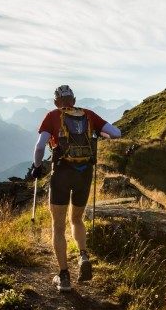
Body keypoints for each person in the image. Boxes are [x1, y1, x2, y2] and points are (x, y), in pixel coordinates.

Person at [29, 85, 121, 291]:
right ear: (74, 99)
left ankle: (63, 277)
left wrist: (36, 168)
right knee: (77, 218)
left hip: (61, 173)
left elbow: (39, 146)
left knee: (58, 225)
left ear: (56, 102)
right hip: (84, 173)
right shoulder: (89, 115)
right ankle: (83, 255)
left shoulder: (52, 116)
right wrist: (99, 135)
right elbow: (116, 133)